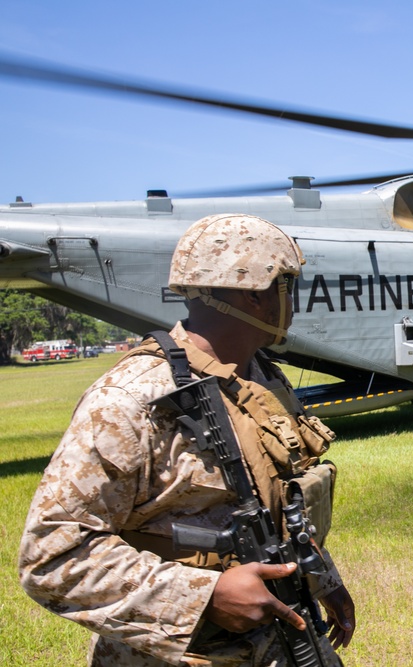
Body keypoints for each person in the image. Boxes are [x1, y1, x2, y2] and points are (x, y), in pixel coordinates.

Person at [19, 213, 355, 666]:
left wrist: (325, 582)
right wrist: (205, 594)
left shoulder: (260, 379)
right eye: (287, 286)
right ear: (255, 295)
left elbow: (281, 504)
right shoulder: (130, 401)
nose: (292, 301)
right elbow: (52, 556)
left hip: (288, 637)